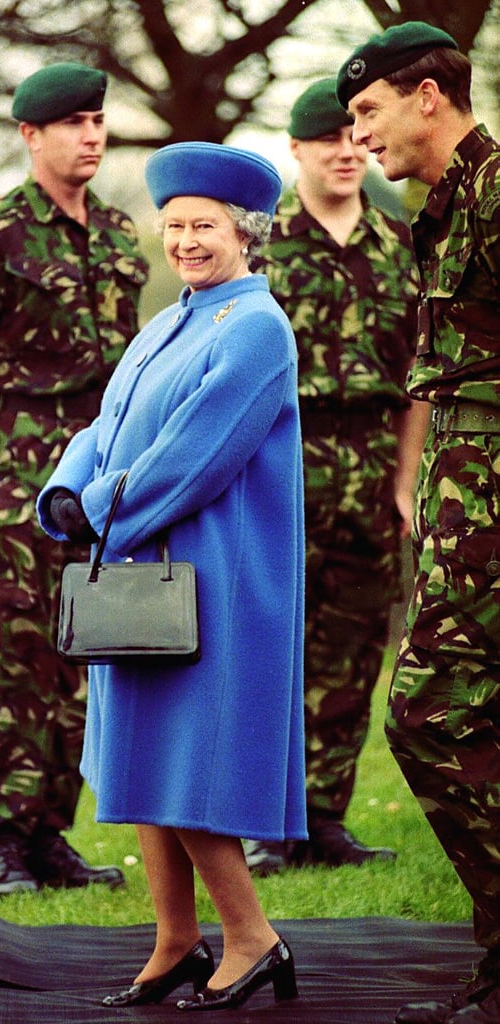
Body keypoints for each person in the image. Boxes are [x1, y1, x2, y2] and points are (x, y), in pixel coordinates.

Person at [38, 141, 306, 1012]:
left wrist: (102, 504)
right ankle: (177, 940)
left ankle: (254, 939)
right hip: (144, 575)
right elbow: (107, 426)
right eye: (175, 225)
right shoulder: (168, 321)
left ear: (245, 231)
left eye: (205, 226)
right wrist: (67, 490)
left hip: (215, 579)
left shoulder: (258, 327)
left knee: (187, 767)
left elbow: (196, 458)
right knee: (144, 765)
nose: (186, 240)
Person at [0, 63, 149, 896]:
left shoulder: (124, 235)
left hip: (103, 484)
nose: (91, 135)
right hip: (21, 477)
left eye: (98, 121)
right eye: (74, 123)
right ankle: (3, 843)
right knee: (18, 657)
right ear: (31, 135)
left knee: (84, 658)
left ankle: (52, 835)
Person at [337, 21, 500, 1024]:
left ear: (426, 94)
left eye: (367, 111)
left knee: (428, 715)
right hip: (464, 497)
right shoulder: (448, 205)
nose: (357, 135)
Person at [245, 77, 427, 875]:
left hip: (369, 470)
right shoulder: (262, 245)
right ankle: (259, 822)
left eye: (357, 137)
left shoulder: (399, 243)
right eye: (328, 140)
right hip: (282, 468)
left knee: (353, 655)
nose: (348, 152)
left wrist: (404, 479)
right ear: (296, 150)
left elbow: (419, 374)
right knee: (264, 650)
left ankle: (324, 817)